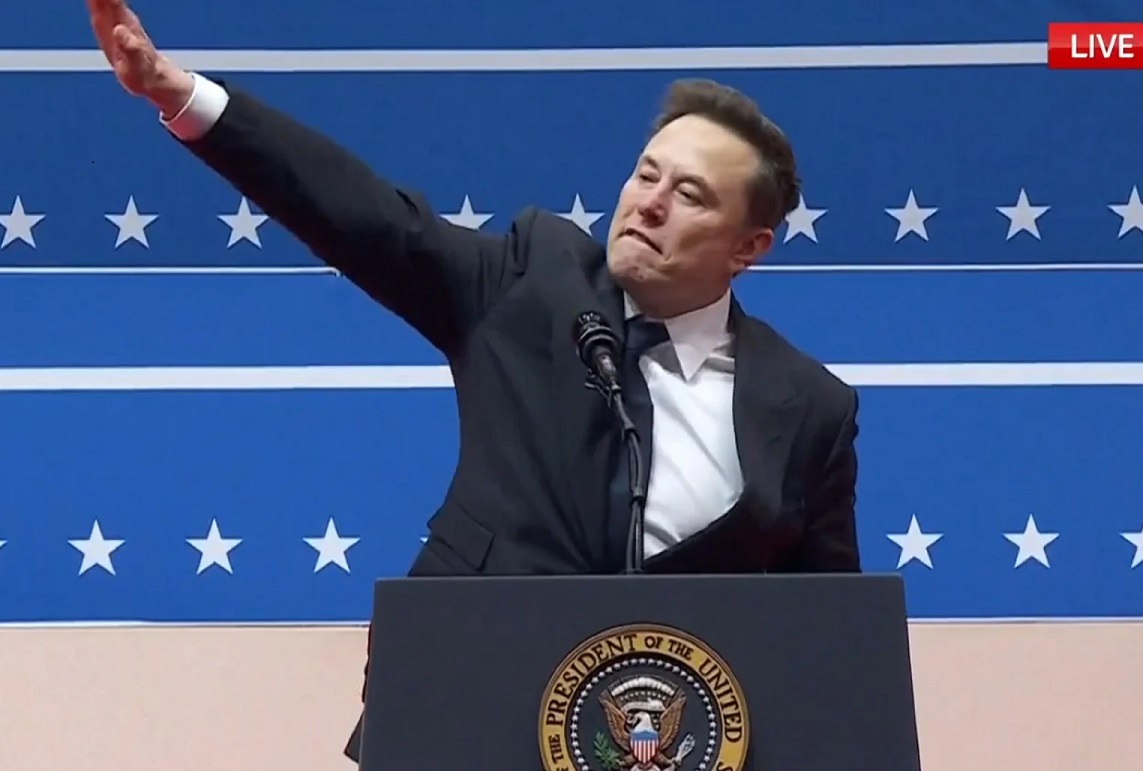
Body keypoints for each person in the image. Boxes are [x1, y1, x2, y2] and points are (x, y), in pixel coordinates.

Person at [87, 0, 863, 763]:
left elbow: (833, 638)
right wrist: (180, 96)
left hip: (664, 742)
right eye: (645, 174)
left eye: (689, 194)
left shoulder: (809, 408)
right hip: (463, 695)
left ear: (749, 246)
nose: (648, 204)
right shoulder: (534, 280)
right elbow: (363, 216)